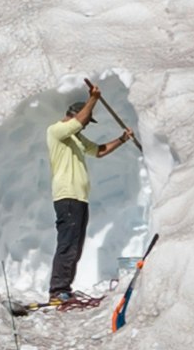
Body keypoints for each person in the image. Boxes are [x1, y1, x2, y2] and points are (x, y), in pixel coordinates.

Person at [42, 81, 135, 309]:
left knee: (75, 245)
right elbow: (79, 122)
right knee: (67, 244)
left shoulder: (76, 139)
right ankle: (58, 291)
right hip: (67, 197)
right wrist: (93, 98)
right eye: (84, 122)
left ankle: (64, 289)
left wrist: (122, 139)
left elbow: (99, 151)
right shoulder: (57, 131)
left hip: (80, 199)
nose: (85, 127)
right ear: (73, 115)